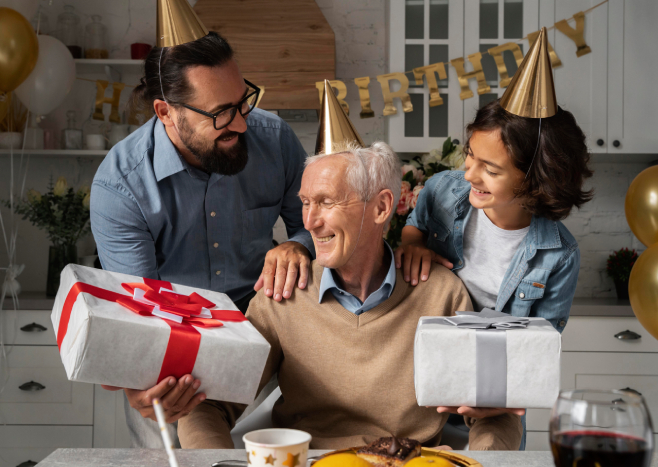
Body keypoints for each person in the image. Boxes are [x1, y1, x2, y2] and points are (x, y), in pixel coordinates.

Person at [177, 142, 525, 450]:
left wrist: (485, 461)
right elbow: (206, 405)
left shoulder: (441, 294)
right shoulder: (282, 293)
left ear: (381, 208)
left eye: (326, 201)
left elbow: (493, 412)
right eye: (305, 203)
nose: (309, 222)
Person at [90, 31, 314, 447]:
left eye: (243, 101)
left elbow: (318, 224)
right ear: (166, 112)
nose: (242, 123)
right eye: (221, 113)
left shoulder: (275, 139)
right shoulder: (120, 184)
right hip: (173, 360)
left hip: (266, 343)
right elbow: (139, 312)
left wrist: (298, 244)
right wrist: (138, 385)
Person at [395, 29, 593, 450]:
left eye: (491, 168)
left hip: (496, 386)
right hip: (420, 370)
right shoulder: (446, 191)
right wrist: (411, 241)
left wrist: (501, 398)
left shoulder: (559, 255)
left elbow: (540, 344)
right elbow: (419, 215)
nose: (469, 174)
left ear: (538, 177)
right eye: (470, 154)